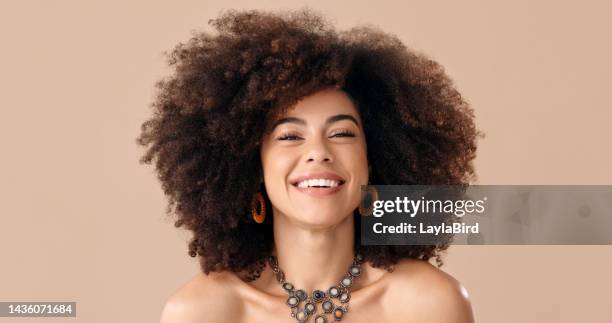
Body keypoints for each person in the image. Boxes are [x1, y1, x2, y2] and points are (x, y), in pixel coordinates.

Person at [137, 8, 479, 323]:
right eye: (289, 136)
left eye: (342, 133)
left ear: (373, 161)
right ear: (251, 166)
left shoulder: (429, 304)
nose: (318, 152)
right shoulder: (203, 312)